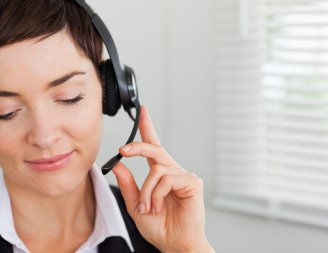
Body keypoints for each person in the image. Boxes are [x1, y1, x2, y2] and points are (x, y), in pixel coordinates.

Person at [0, 0, 215, 252]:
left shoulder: (161, 231)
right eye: (6, 112)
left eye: (70, 97)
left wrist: (189, 247)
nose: (45, 137)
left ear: (112, 91)